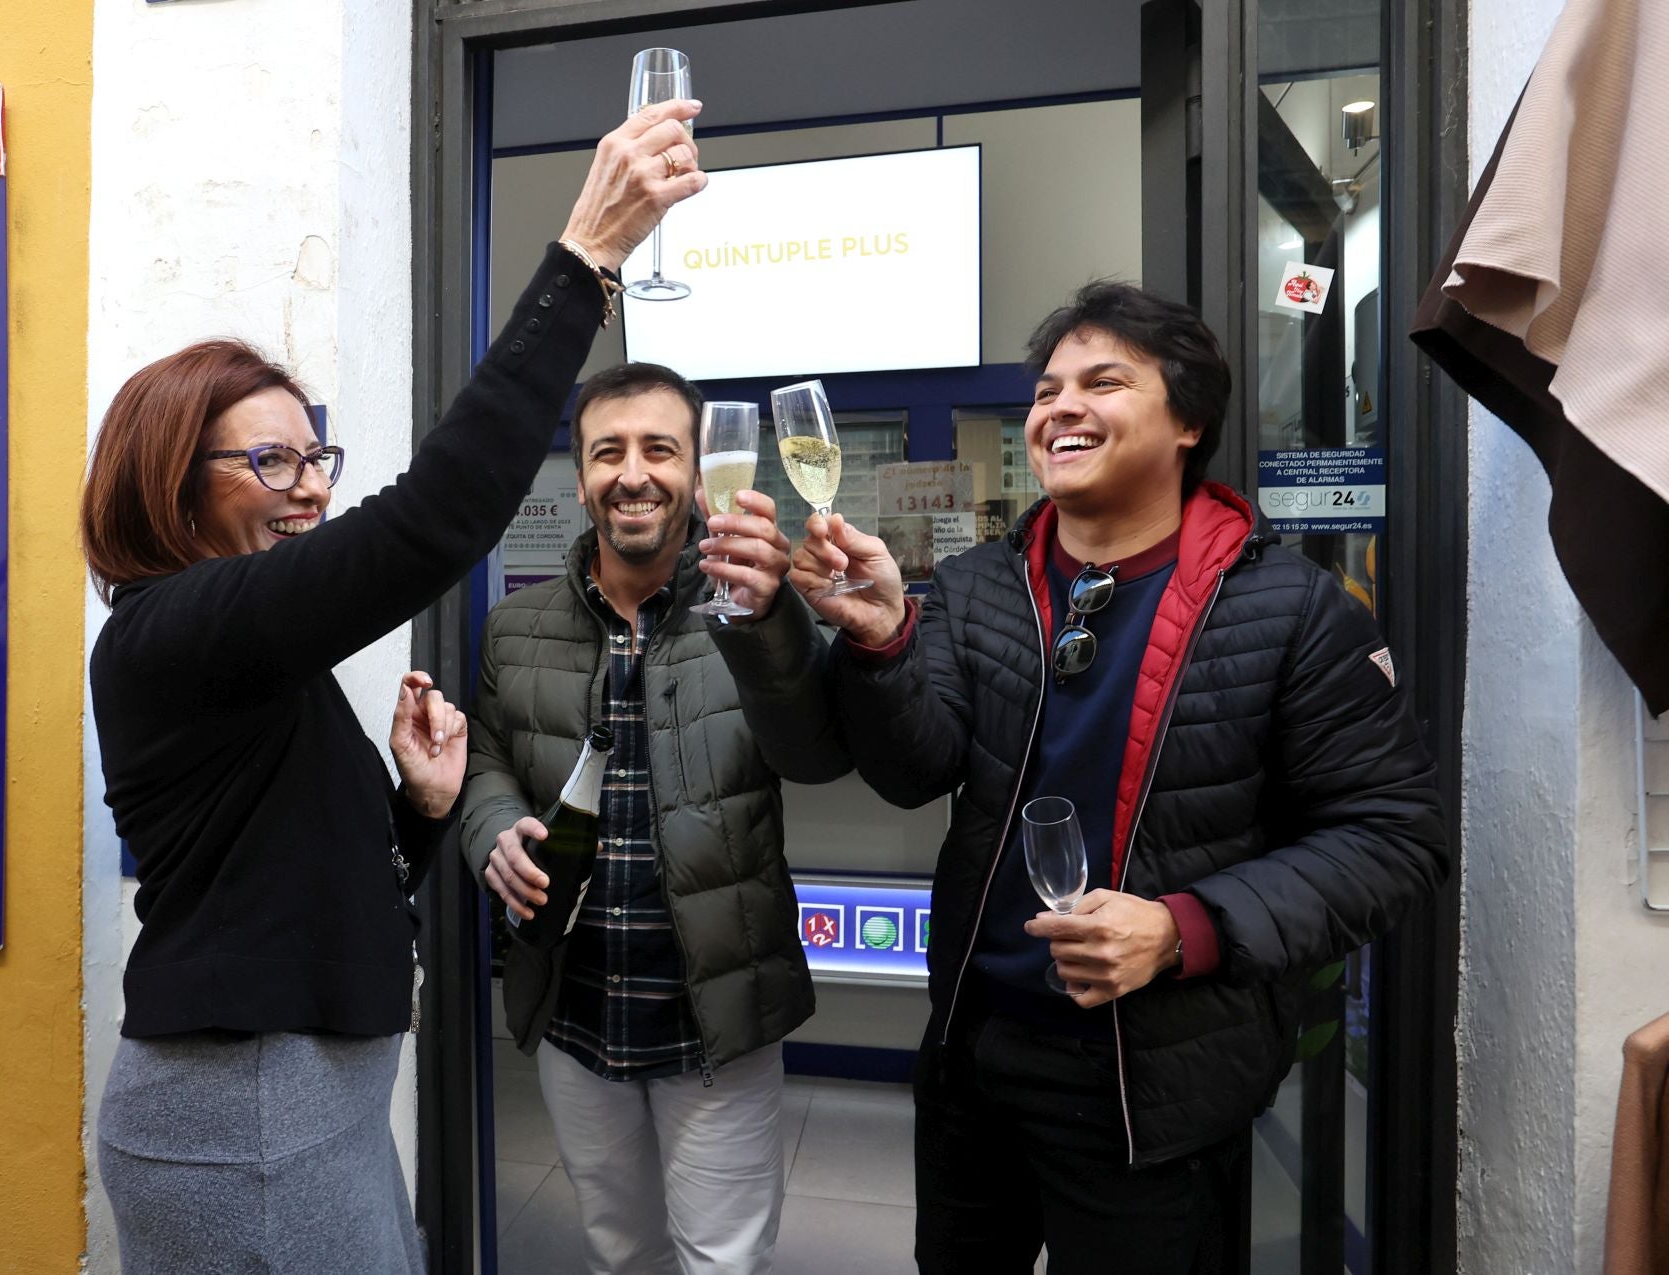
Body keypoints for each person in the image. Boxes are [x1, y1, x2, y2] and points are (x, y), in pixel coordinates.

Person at [81, 101, 707, 1273]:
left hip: (300, 1100)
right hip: (245, 1118)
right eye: (270, 459)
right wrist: (586, 261)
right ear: (171, 483)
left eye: (315, 455)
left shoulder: (237, 649)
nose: (309, 486)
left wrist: (420, 813)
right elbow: (430, 522)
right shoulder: (173, 629)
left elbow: (293, 873)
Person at [785, 283, 1448, 1273]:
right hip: (979, 1055)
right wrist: (884, 641)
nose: (1059, 409)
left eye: (1103, 381)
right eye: (1048, 389)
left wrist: (1184, 927)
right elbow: (912, 772)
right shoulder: (977, 589)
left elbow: (1395, 837)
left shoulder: (1295, 612)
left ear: (1188, 421)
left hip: (1161, 1085)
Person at [462, 361, 849, 1274]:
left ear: (700, 469)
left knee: (721, 1258)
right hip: (574, 1005)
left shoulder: (754, 609)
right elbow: (483, 757)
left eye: (659, 449)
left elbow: (818, 754)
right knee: (618, 1248)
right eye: (608, 451)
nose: (632, 472)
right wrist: (492, 829)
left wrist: (776, 620)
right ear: (582, 470)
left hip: (714, 1007)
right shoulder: (514, 627)